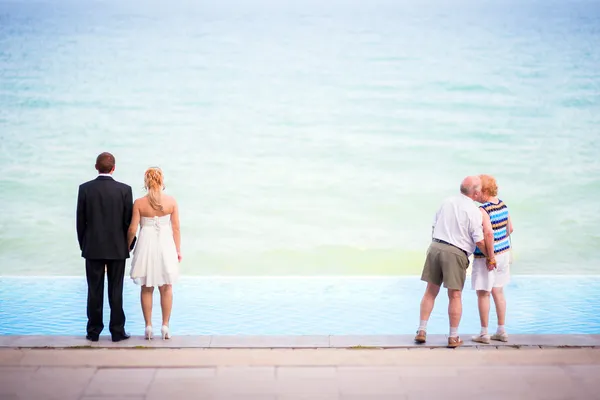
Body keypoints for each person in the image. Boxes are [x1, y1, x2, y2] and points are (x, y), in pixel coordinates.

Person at [414, 176, 491, 348]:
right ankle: (453, 336)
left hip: (435, 247)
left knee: (430, 292)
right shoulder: (474, 211)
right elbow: (479, 239)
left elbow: (434, 225)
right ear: (476, 192)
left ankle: (421, 330)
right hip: (456, 252)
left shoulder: (446, 201)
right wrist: (490, 256)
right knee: (455, 295)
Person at [76, 152, 133, 342]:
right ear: (114, 168)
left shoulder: (85, 189)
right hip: (117, 248)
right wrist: (129, 245)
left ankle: (93, 331)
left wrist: (84, 244)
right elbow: (128, 223)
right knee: (116, 290)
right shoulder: (125, 190)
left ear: (96, 167)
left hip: (92, 248)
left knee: (94, 290)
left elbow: (80, 221)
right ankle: (117, 331)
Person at [127, 167, 181, 340]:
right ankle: (165, 326)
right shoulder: (171, 201)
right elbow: (176, 228)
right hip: (165, 244)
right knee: (166, 287)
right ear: (161, 181)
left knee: (146, 287)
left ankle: (148, 326)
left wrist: (127, 246)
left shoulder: (139, 203)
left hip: (146, 245)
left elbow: (133, 228)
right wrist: (178, 250)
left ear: (146, 182)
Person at [471, 174, 514, 344]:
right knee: (498, 291)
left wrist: (490, 256)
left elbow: (488, 233)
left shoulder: (483, 210)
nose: (475, 193)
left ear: (485, 191)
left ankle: (484, 333)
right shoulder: (503, 204)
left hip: (488, 257)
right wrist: (500, 244)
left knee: (483, 293)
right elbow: (510, 228)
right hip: (504, 254)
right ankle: (501, 330)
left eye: (477, 190)